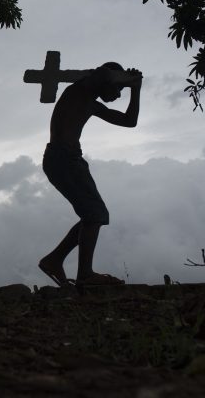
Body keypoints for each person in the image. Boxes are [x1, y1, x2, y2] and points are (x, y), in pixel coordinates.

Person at [38, 62, 142, 287]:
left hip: (68, 160)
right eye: (117, 90)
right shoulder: (80, 89)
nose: (117, 95)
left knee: (92, 215)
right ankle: (84, 274)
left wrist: (136, 88)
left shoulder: (91, 104)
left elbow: (129, 121)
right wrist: (127, 78)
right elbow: (105, 74)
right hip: (63, 159)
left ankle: (55, 259)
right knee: (95, 214)